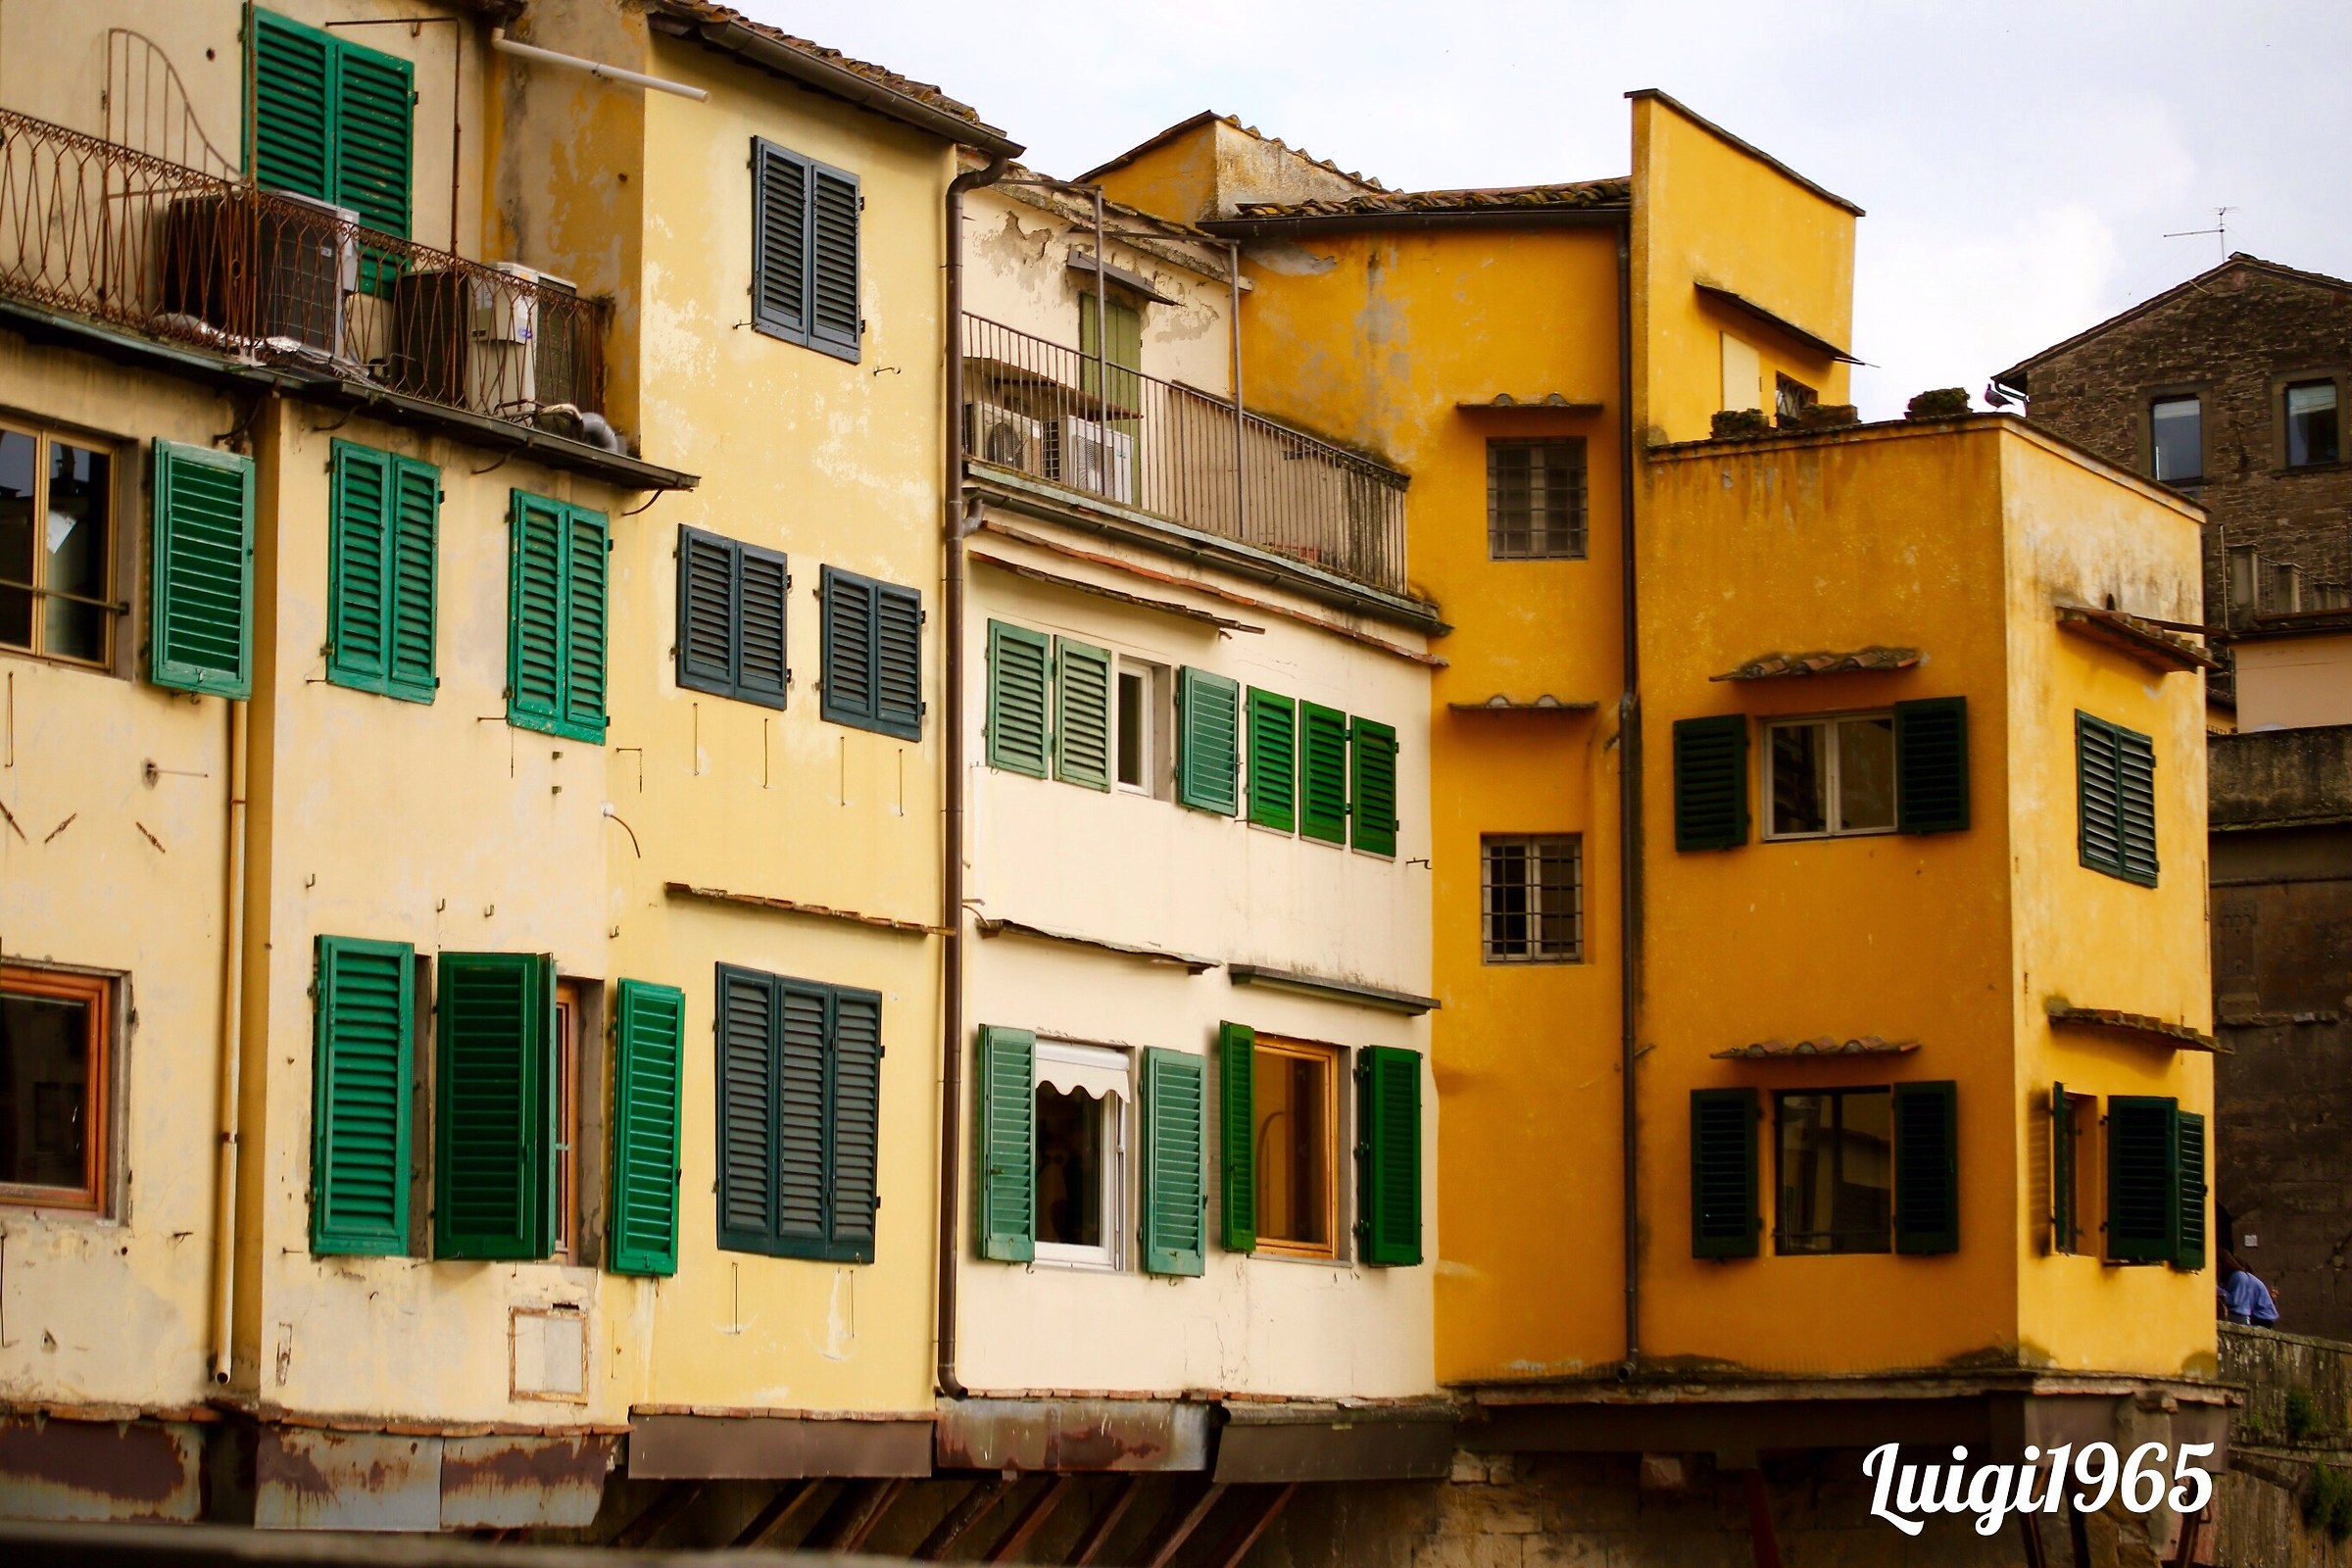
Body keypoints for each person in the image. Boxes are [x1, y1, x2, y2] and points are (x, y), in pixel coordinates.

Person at [2219, 1250, 2279, 1327]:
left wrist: (2216, 1289)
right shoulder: (2247, 1278)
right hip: (2262, 1315)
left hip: (2261, 1317)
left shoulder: (2240, 1277)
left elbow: (2235, 1301)